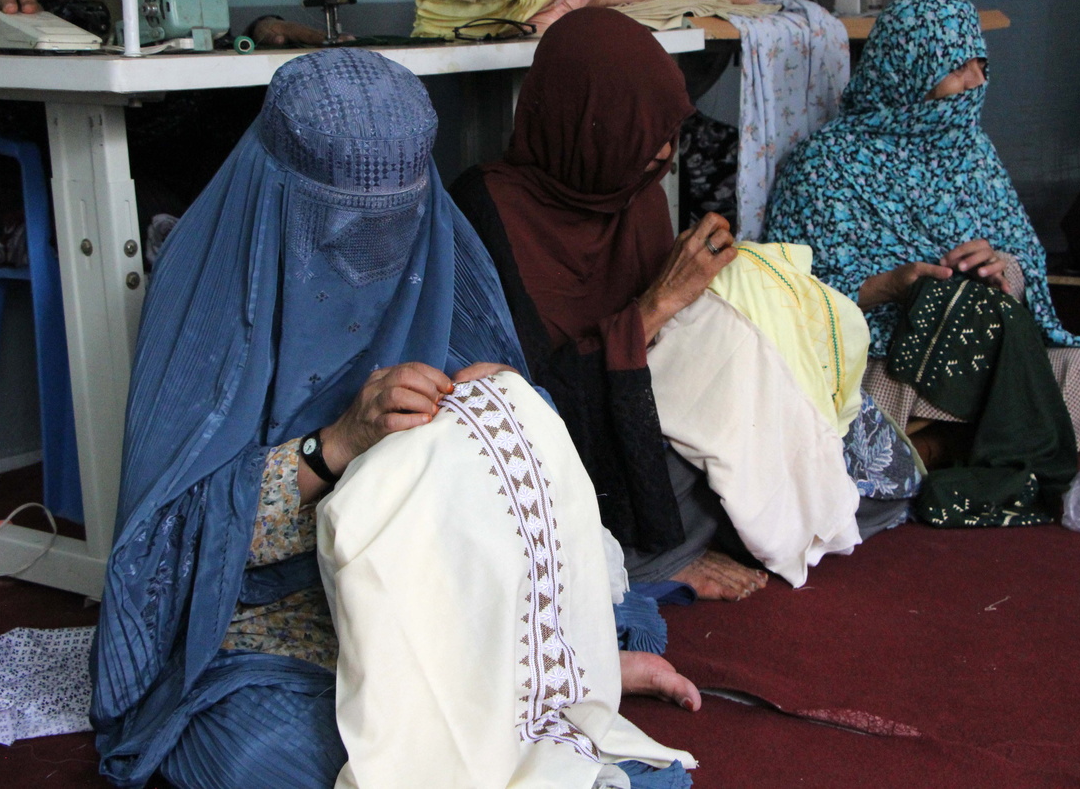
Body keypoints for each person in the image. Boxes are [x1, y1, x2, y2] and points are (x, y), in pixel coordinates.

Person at [90, 47, 698, 789]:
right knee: (282, 759)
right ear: (280, 194)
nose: (373, 258)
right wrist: (334, 444)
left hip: (441, 603)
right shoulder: (208, 292)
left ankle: (543, 679)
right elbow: (163, 552)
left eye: (395, 226)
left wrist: (500, 407)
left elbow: (519, 487)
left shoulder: (443, 256)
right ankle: (524, 699)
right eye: (341, 230)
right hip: (262, 631)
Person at [450, 8, 895, 600]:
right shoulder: (485, 212)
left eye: (669, 133)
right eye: (641, 135)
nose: (662, 154)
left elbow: (668, 360)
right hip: (565, 451)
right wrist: (659, 303)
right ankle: (655, 556)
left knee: (778, 402)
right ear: (583, 124)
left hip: (641, 421)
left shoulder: (631, 193)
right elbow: (529, 402)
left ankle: (675, 538)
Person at [762, 0, 1080, 463]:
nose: (977, 81)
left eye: (981, 64)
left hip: (987, 348)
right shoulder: (823, 165)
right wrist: (891, 286)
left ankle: (944, 444)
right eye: (957, 68)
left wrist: (1001, 269)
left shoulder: (973, 151)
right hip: (894, 356)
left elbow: (1023, 258)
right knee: (886, 388)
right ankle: (983, 438)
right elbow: (788, 297)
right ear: (907, 69)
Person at [0, 0, 333, 289]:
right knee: (199, 242)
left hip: (169, 152)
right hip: (39, 173)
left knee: (315, 211)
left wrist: (259, 33)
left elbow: (169, 34)